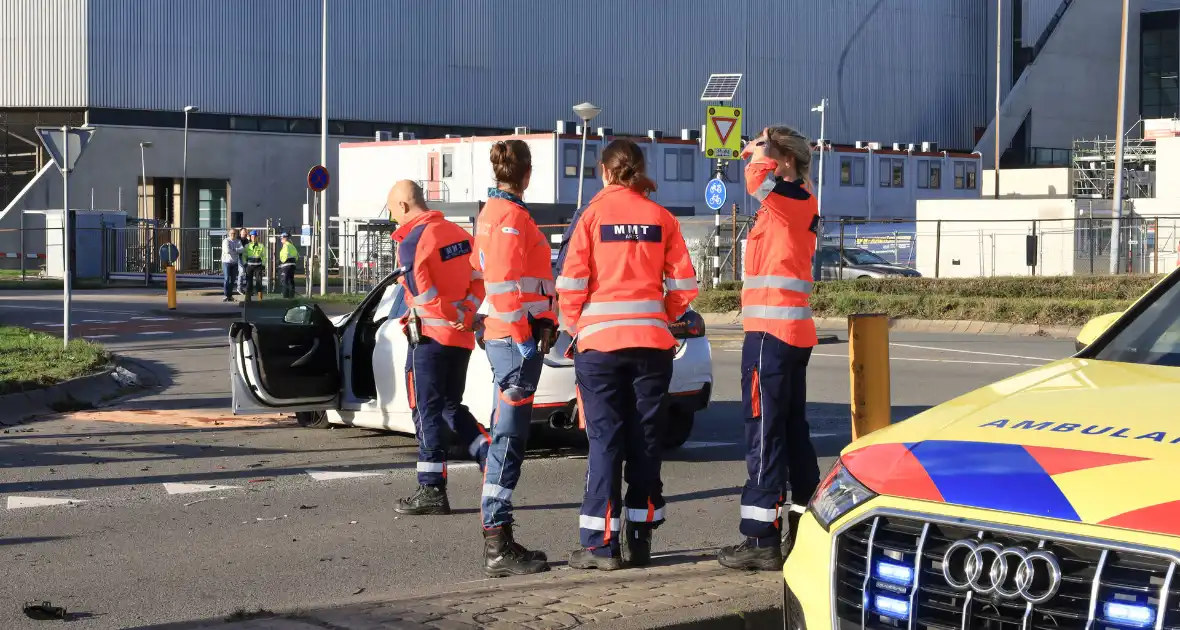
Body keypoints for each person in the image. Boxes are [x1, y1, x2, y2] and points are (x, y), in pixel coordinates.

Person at [557, 138, 699, 570]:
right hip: (652, 346)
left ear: (603, 170)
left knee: (606, 441)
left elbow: (570, 282)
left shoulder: (591, 215)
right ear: (639, 169)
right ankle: (640, 539)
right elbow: (683, 287)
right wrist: (664, 315)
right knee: (645, 441)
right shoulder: (662, 218)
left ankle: (602, 547)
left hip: (599, 346)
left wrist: (574, 325)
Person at [718, 125, 821, 572]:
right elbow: (759, 183)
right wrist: (760, 150)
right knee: (792, 433)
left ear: (784, 161)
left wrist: (759, 149)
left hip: (771, 336)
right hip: (786, 334)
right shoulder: (791, 202)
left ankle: (761, 539)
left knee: (763, 431)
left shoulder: (788, 198)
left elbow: (757, 181)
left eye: (767, 153)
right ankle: (802, 528)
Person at [470, 139, 554, 576]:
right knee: (509, 441)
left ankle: (498, 538)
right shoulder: (510, 217)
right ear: (527, 173)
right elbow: (503, 284)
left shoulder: (493, 212)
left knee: (507, 437)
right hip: (515, 342)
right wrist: (524, 334)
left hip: (509, 336)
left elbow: (488, 277)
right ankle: (497, 542)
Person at [388, 180, 491, 520]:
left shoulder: (412, 240)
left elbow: (422, 295)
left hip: (430, 337)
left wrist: (452, 315)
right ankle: (488, 454)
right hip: (458, 339)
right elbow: (480, 280)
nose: (393, 220)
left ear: (404, 206)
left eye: (392, 212)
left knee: (426, 410)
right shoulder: (458, 234)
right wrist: (467, 313)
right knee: (450, 405)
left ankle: (431, 489)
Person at [243, 230, 266, 302]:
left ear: (257, 237)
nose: (253, 238)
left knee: (259, 282)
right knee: (249, 282)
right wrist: (245, 263)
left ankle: (260, 299)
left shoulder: (261, 246)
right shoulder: (247, 246)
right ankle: (248, 298)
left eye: (255, 236)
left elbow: (264, 256)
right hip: (249, 266)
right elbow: (244, 256)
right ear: (250, 237)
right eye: (252, 236)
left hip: (258, 266)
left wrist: (263, 264)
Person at [221, 230, 243, 302]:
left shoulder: (238, 241)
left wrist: (234, 249)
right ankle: (226, 295)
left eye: (234, 233)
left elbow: (242, 249)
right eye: (231, 233)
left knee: (233, 280)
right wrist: (236, 250)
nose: (233, 235)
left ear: (236, 234)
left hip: (234, 263)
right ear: (229, 234)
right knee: (227, 279)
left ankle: (230, 296)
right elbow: (227, 250)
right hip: (226, 262)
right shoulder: (226, 241)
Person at [277, 232, 299, 298]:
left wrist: (282, 262)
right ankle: (292, 296)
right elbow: (297, 255)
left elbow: (285, 254)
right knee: (291, 280)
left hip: (286, 265)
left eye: (281, 239)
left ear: (285, 238)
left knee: (285, 281)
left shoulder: (285, 246)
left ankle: (285, 296)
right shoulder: (292, 246)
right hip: (293, 265)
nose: (281, 240)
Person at [236, 228, 250, 295]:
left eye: (245, 232)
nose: (244, 233)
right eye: (243, 231)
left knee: (246, 272)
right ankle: (239, 288)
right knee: (241, 271)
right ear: (240, 232)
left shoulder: (247, 240)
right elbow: (239, 249)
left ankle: (247, 288)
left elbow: (248, 248)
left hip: (245, 257)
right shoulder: (238, 239)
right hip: (239, 256)